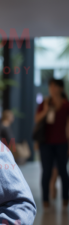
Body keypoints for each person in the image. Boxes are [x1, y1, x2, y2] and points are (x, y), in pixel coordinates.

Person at [35, 78, 69, 208]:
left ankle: (65, 197)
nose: (52, 89)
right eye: (51, 86)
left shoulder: (66, 105)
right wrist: (46, 109)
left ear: (60, 88)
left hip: (62, 143)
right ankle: (45, 200)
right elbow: (37, 119)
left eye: (55, 86)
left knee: (63, 171)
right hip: (46, 143)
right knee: (46, 172)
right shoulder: (45, 103)